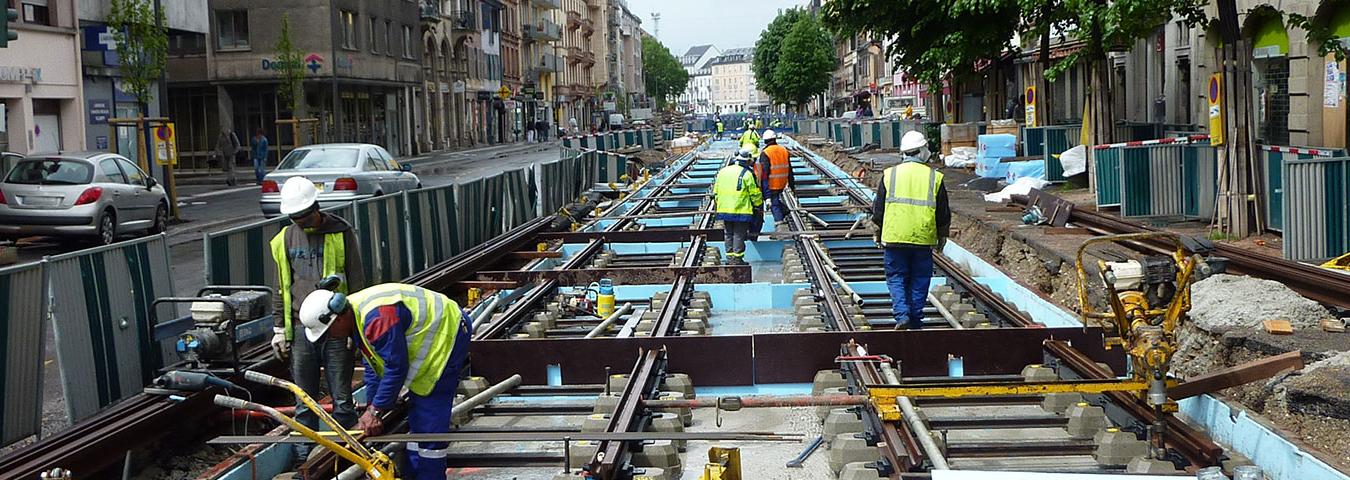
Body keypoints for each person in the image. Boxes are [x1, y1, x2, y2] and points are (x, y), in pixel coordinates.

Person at [298, 283, 472, 480]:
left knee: (430, 421)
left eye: (328, 332)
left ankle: (430, 476)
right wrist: (374, 407)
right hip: (434, 332)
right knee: (417, 419)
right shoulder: (356, 313)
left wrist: (376, 411)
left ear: (337, 319)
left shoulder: (377, 319)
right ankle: (413, 474)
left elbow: (396, 368)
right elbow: (374, 362)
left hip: (447, 334)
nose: (330, 337)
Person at [268, 177, 366, 460]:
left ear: (316, 207)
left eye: (305, 217)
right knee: (304, 399)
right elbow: (281, 287)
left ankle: (351, 454)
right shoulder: (284, 239)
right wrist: (278, 328)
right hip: (301, 328)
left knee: (342, 398)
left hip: (336, 326)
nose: (301, 223)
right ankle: (304, 458)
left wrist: (355, 330)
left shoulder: (340, 232)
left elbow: (357, 281)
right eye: (295, 218)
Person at [870, 131, 950, 330]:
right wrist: (942, 235)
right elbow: (943, 212)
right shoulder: (935, 177)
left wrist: (877, 232)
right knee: (920, 278)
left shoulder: (890, 175)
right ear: (922, 151)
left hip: (894, 237)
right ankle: (915, 318)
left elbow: (878, 209)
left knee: (896, 277)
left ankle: (902, 315)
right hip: (923, 238)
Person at [714, 149, 763, 266]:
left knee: (728, 233)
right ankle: (737, 259)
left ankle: (729, 258)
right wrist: (758, 205)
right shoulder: (747, 174)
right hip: (741, 209)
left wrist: (719, 205)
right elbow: (754, 193)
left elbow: (715, 191)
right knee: (739, 234)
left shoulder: (723, 171)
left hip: (724, 209)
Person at [757, 130, 795, 228]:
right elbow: (790, 169)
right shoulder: (784, 150)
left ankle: (779, 223)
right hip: (782, 182)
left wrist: (761, 186)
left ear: (765, 140)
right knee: (775, 200)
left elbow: (764, 173)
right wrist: (792, 185)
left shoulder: (766, 153)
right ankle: (785, 210)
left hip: (771, 183)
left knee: (774, 203)